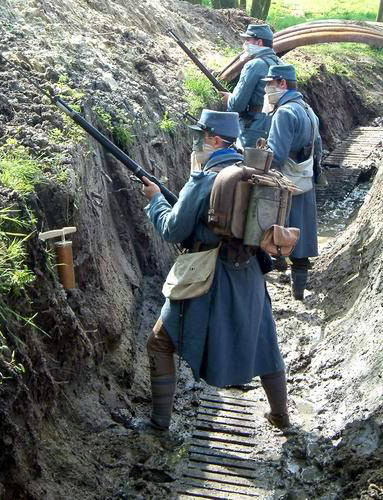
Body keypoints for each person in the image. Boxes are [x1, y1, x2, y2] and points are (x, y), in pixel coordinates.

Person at [141, 109, 290, 436]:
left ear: (213, 139)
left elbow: (171, 230)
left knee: (159, 342)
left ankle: (157, 424)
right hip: (249, 273)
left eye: (199, 136)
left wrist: (155, 201)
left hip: (208, 277)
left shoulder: (204, 179)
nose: (195, 143)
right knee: (265, 343)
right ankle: (281, 417)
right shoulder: (250, 172)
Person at [263, 64, 322, 300]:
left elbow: (275, 156)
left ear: (282, 84)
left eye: (269, 84)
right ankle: (298, 291)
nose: (267, 89)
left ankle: (275, 267)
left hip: (284, 185)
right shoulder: (308, 110)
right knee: (302, 239)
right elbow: (319, 148)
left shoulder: (285, 113)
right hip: (305, 180)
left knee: (274, 231)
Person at [220, 24, 282, 148]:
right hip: (277, 125)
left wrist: (228, 99)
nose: (245, 44)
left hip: (254, 128)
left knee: (247, 165)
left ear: (259, 42)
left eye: (248, 40)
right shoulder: (280, 63)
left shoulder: (254, 65)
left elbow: (237, 105)